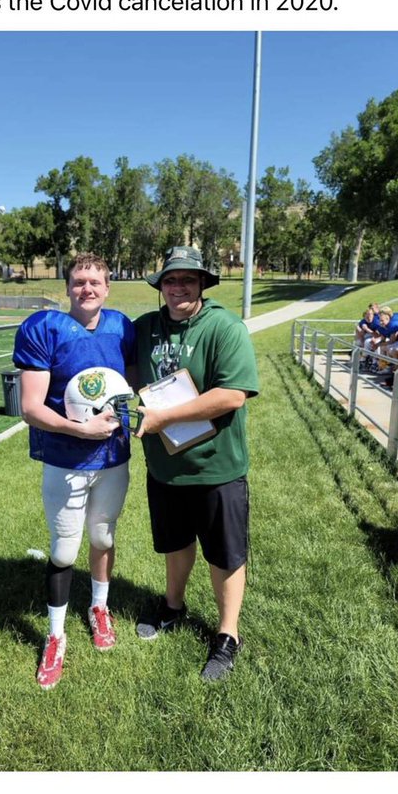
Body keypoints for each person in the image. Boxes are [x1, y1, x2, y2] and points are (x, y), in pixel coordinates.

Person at [132, 246, 259, 682]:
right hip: (165, 467)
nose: (178, 287)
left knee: (224, 553)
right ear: (160, 286)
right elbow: (112, 363)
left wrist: (163, 416)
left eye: (188, 279)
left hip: (216, 467)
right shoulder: (145, 328)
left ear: (203, 283)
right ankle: (173, 605)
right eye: (170, 279)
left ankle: (228, 634)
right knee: (175, 542)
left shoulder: (224, 327)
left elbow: (233, 394)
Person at [13, 253, 135, 690]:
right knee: (64, 550)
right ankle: (55, 635)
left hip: (113, 458)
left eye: (95, 282)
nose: (87, 289)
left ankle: (99, 607)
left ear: (108, 287)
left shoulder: (122, 327)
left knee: (103, 537)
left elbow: (132, 389)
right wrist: (79, 429)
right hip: (66, 460)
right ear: (67, 287)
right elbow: (30, 408)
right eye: (79, 281)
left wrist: (133, 417)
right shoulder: (45, 328)